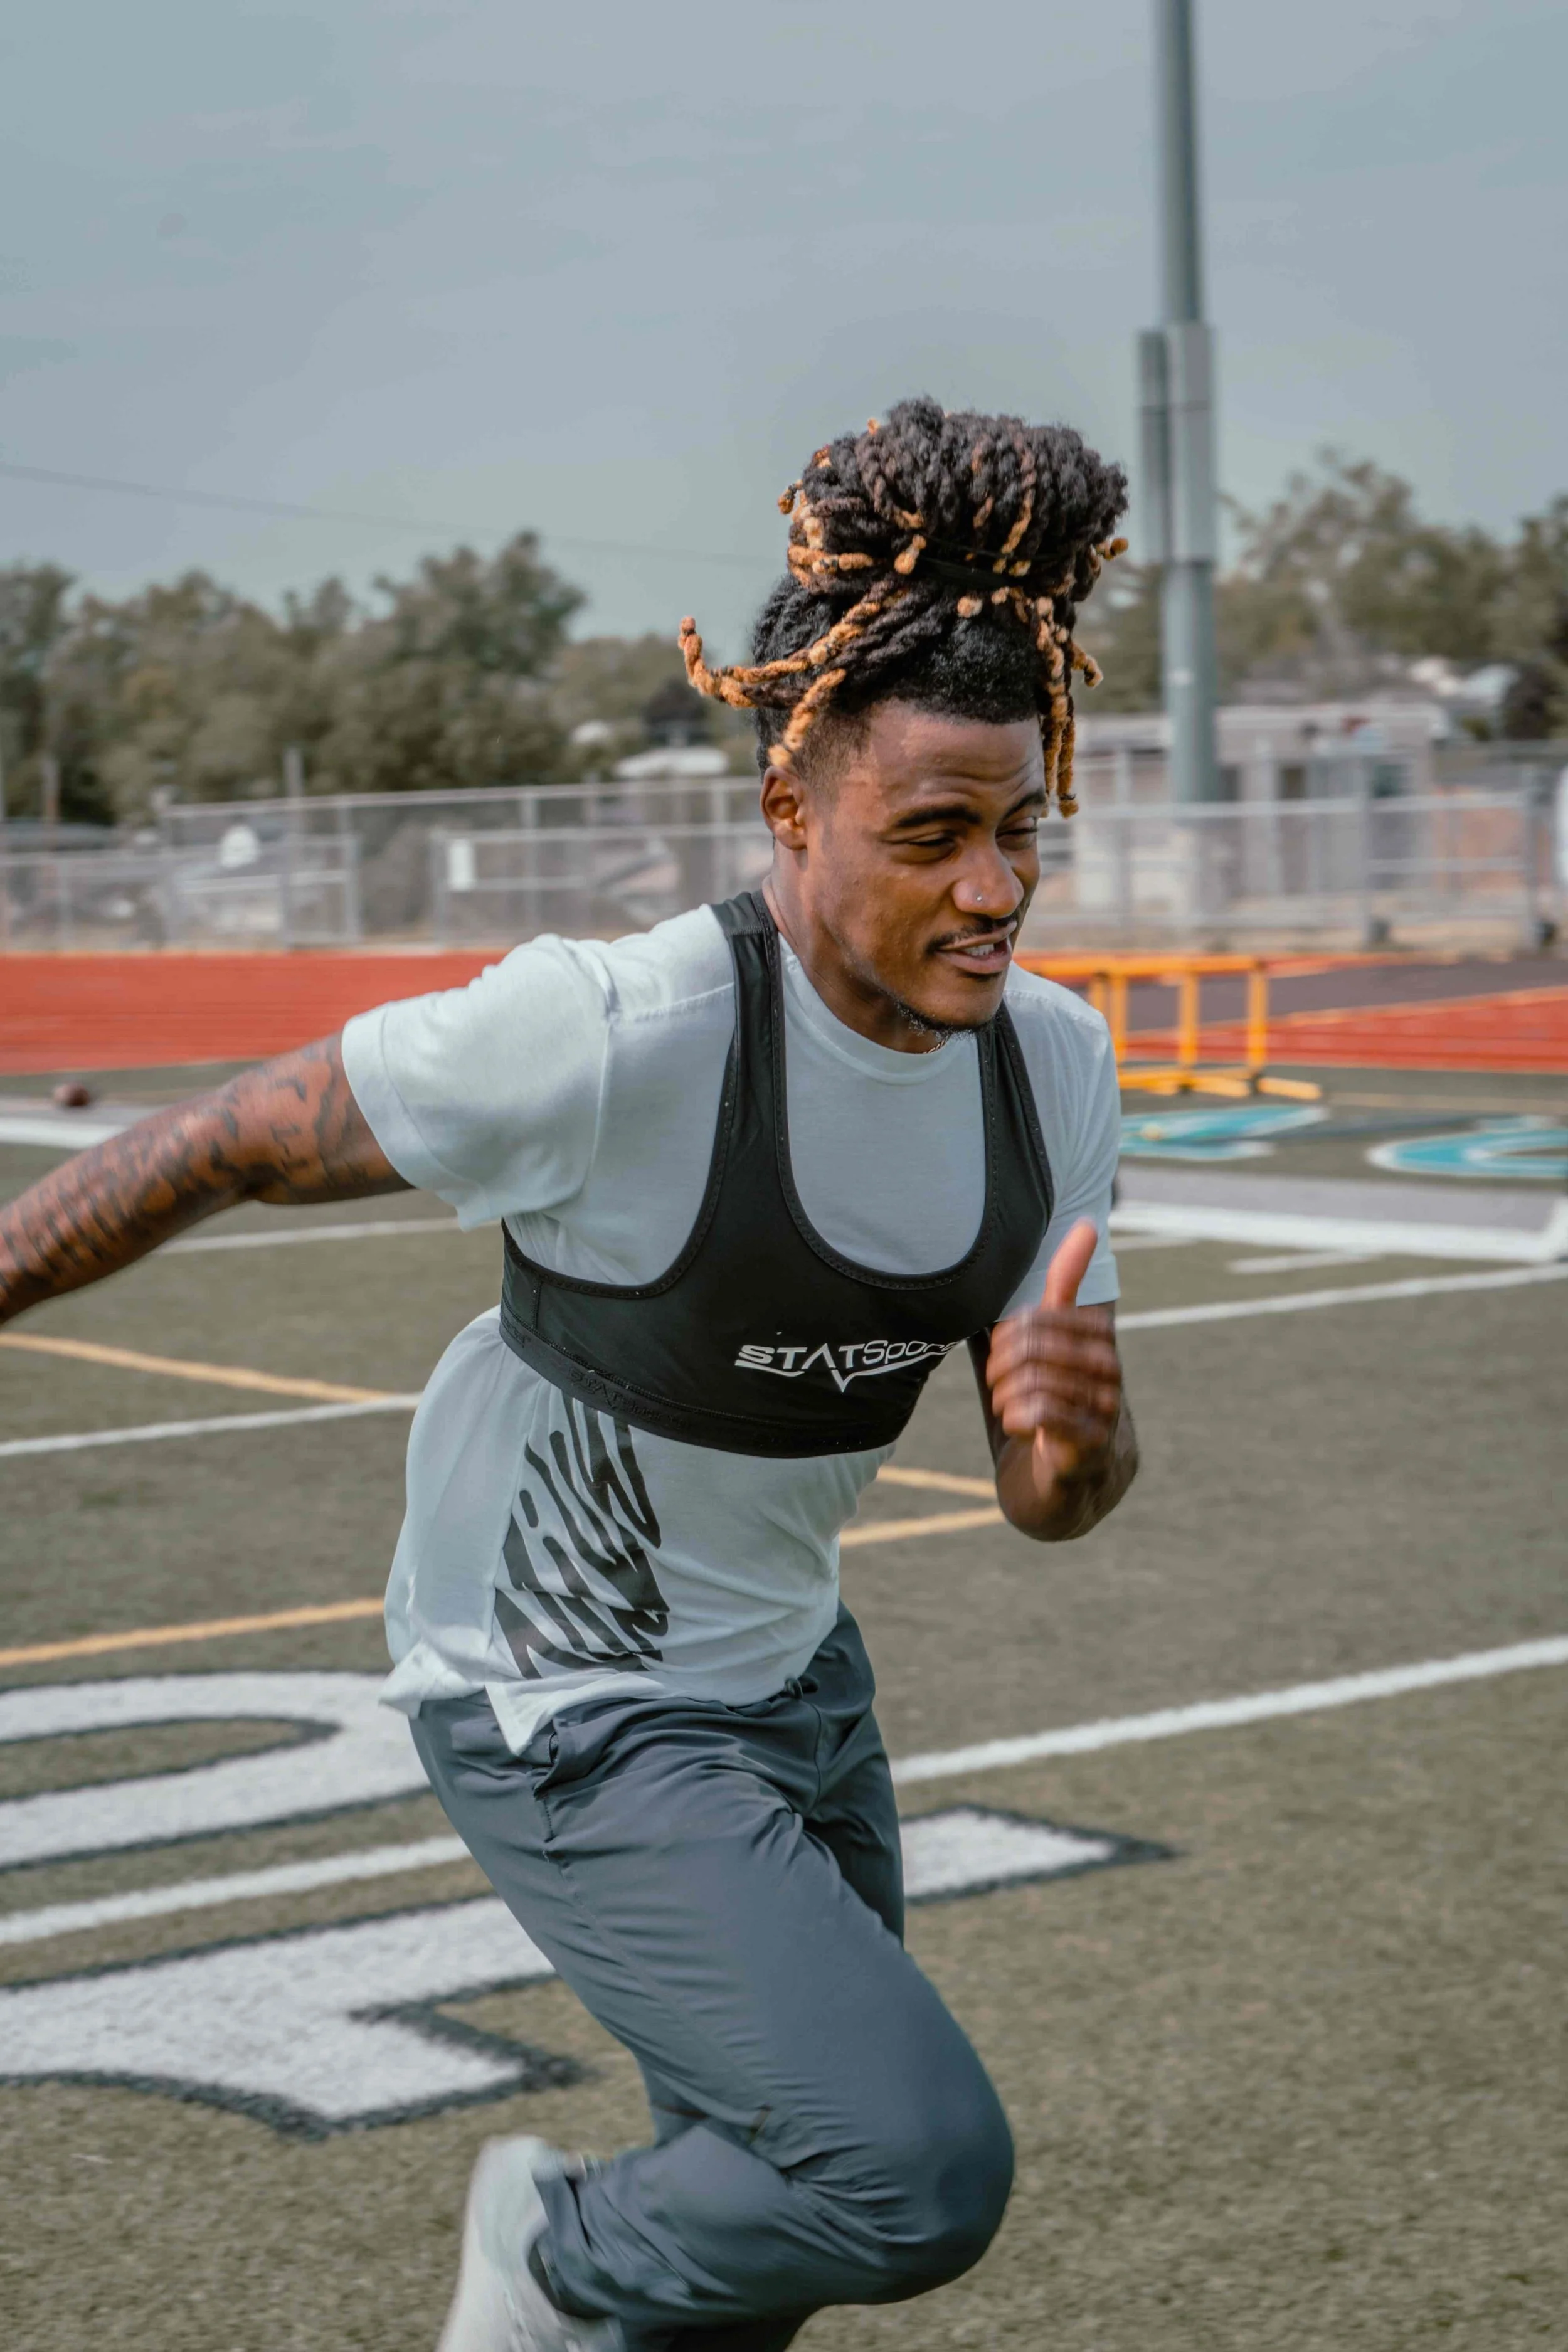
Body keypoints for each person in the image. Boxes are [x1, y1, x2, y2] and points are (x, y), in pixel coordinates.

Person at [0, 397, 1138, 2351]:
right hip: (564, 1694)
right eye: (931, 835)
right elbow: (219, 1142)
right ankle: (545, 2254)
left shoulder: (1052, 1067)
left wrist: (1067, 1432)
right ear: (791, 809)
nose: (992, 890)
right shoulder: (615, 1032)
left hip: (795, 1682)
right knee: (903, 2168)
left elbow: (1050, 1500)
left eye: (1021, 829)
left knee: (767, 2213)